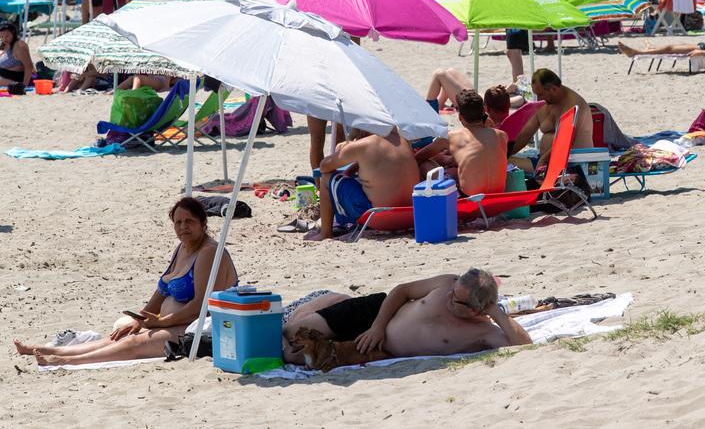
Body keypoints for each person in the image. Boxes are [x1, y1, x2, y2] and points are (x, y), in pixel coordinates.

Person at [14, 197, 238, 366]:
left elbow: (201, 305)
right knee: (122, 334)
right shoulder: (182, 248)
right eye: (178, 222)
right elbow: (162, 291)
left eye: (189, 221)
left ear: (203, 223)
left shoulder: (209, 252)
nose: (183, 227)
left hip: (202, 327)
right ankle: (49, 350)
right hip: (174, 322)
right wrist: (140, 319)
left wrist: (161, 322)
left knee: (132, 344)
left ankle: (65, 361)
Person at [282, 269, 532, 366]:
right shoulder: (447, 283)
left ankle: (336, 301)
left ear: (476, 310)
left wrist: (496, 312)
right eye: (453, 290)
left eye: (456, 299)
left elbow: (524, 345)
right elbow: (402, 291)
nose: (449, 296)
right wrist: (378, 326)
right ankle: (331, 300)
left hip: (377, 350)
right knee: (291, 331)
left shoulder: (482, 331)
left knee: (292, 356)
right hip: (378, 313)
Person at [309, 128, 420, 240]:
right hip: (409, 214)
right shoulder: (402, 140)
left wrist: (345, 148)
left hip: (378, 217)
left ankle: (325, 233)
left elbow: (324, 166)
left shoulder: (363, 145)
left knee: (326, 177)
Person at [414, 90, 508, 196]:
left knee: (424, 164)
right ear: (484, 112)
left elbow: (419, 156)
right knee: (456, 169)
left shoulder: (451, 137)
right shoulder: (502, 136)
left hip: (469, 198)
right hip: (497, 195)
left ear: (460, 117)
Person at [510, 69, 593, 167]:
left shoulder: (573, 105)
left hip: (574, 162)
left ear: (553, 89)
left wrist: (542, 161)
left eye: (541, 94)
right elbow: (525, 135)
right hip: (546, 161)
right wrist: (506, 153)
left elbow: (564, 142)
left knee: (507, 163)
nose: (539, 98)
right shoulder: (545, 103)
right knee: (505, 161)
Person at [0, 22, 33, 93]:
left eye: (7, 36)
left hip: (15, 78)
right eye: (1, 36)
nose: (4, 39)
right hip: (5, 75)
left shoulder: (19, 46)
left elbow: (29, 66)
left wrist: (24, 86)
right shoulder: (6, 44)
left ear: (13, 34)